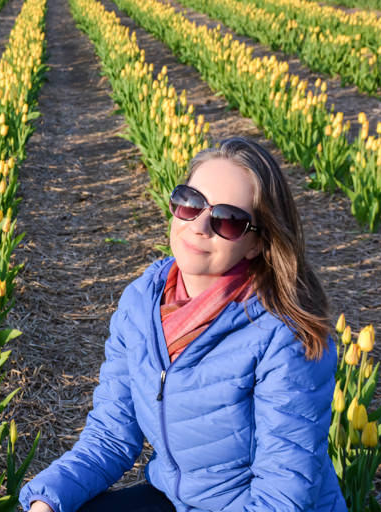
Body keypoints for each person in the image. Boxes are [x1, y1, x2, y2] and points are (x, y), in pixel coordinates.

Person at [18, 137, 347, 512]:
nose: (200, 225)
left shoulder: (282, 337)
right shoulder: (141, 303)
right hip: (176, 499)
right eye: (190, 203)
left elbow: (283, 498)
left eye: (228, 220)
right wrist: (47, 498)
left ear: (256, 244)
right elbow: (111, 436)